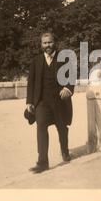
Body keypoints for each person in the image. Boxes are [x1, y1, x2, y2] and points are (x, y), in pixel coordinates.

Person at [26, 32, 75, 173]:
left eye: (50, 42)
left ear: (55, 42)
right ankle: (42, 162)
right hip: (41, 102)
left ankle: (65, 151)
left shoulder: (64, 58)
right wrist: (29, 102)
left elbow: (71, 76)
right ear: (41, 45)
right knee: (41, 127)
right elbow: (31, 83)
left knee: (62, 127)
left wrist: (67, 88)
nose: (47, 45)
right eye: (45, 43)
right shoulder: (36, 61)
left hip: (59, 101)